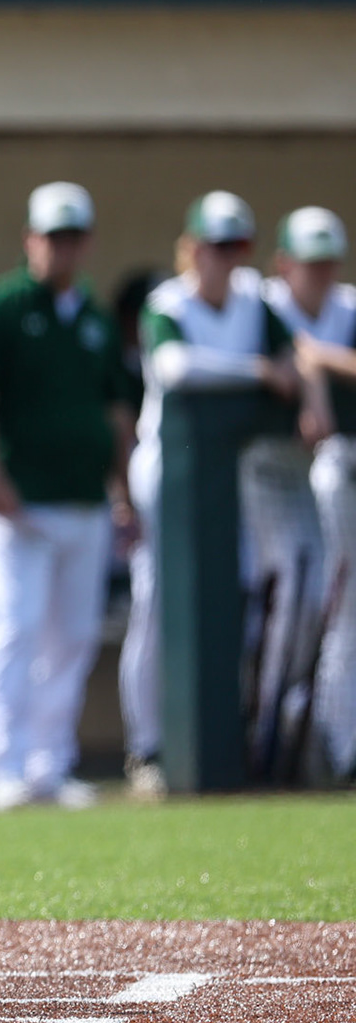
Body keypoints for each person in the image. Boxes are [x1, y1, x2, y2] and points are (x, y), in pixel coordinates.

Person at [119, 192, 319, 797]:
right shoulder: (168, 302)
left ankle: (226, 734)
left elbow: (296, 353)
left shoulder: (256, 302)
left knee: (242, 598)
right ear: (191, 249)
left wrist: (308, 391)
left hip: (232, 475)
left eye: (237, 248)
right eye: (215, 247)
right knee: (159, 603)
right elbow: (174, 366)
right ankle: (147, 744)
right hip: (167, 472)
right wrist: (258, 371)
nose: (226, 260)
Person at [0, 182, 135, 811]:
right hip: (16, 507)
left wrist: (124, 492)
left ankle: (50, 765)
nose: (63, 248)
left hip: (84, 502)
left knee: (74, 636)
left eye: (74, 237)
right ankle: (5, 763)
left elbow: (114, 414)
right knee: (16, 628)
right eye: (52, 236)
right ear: (31, 239)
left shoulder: (96, 320)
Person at [264, 206, 356, 780]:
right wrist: (314, 374)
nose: (319, 275)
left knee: (338, 607)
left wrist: (317, 364)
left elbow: (306, 352)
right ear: (284, 264)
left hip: (334, 477)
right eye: (308, 264)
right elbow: (281, 349)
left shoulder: (346, 307)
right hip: (268, 479)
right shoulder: (264, 302)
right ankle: (274, 742)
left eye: (327, 264)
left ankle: (330, 746)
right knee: (285, 607)